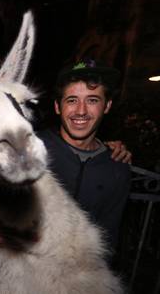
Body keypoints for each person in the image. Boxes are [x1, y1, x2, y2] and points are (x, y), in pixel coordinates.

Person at [38, 58, 131, 253]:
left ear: (107, 106)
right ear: (57, 106)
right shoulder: (30, 151)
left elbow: (108, 241)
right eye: (72, 100)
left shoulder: (117, 166)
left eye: (92, 100)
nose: (81, 111)